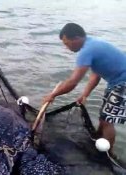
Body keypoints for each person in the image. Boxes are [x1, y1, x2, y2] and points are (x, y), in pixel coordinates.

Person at [42, 23, 126, 157]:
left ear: (76, 38)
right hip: (116, 82)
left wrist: (53, 95)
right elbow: (95, 75)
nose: (66, 47)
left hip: (122, 83)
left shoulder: (87, 50)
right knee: (104, 117)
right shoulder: (92, 44)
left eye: (66, 43)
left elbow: (72, 82)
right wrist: (85, 94)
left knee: (107, 121)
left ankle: (108, 155)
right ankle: (98, 138)